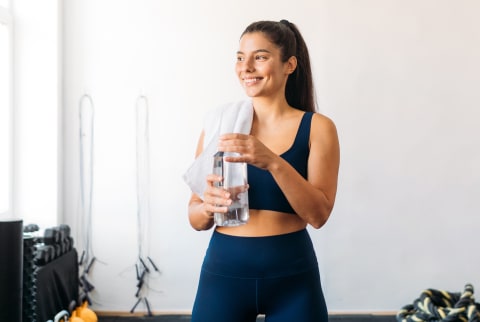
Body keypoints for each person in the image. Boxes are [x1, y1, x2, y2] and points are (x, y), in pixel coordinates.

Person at [186, 19, 340, 322]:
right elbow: (194, 216)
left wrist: (272, 161)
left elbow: (319, 214)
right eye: (240, 57)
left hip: (293, 277)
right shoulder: (219, 125)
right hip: (224, 274)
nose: (246, 67)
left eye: (260, 57)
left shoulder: (317, 128)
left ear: (289, 65)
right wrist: (207, 207)